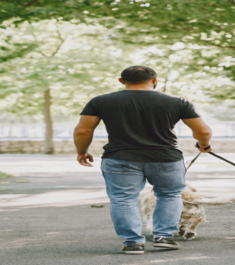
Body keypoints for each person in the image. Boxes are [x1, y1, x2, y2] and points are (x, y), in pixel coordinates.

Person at [74, 65, 212, 255]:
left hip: (120, 157)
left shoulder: (100, 101)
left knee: (123, 199)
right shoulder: (178, 101)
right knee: (169, 195)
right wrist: (203, 144)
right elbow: (203, 131)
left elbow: (83, 130)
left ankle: (132, 243)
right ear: (154, 80)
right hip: (166, 158)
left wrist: (82, 151)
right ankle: (164, 237)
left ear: (121, 81)